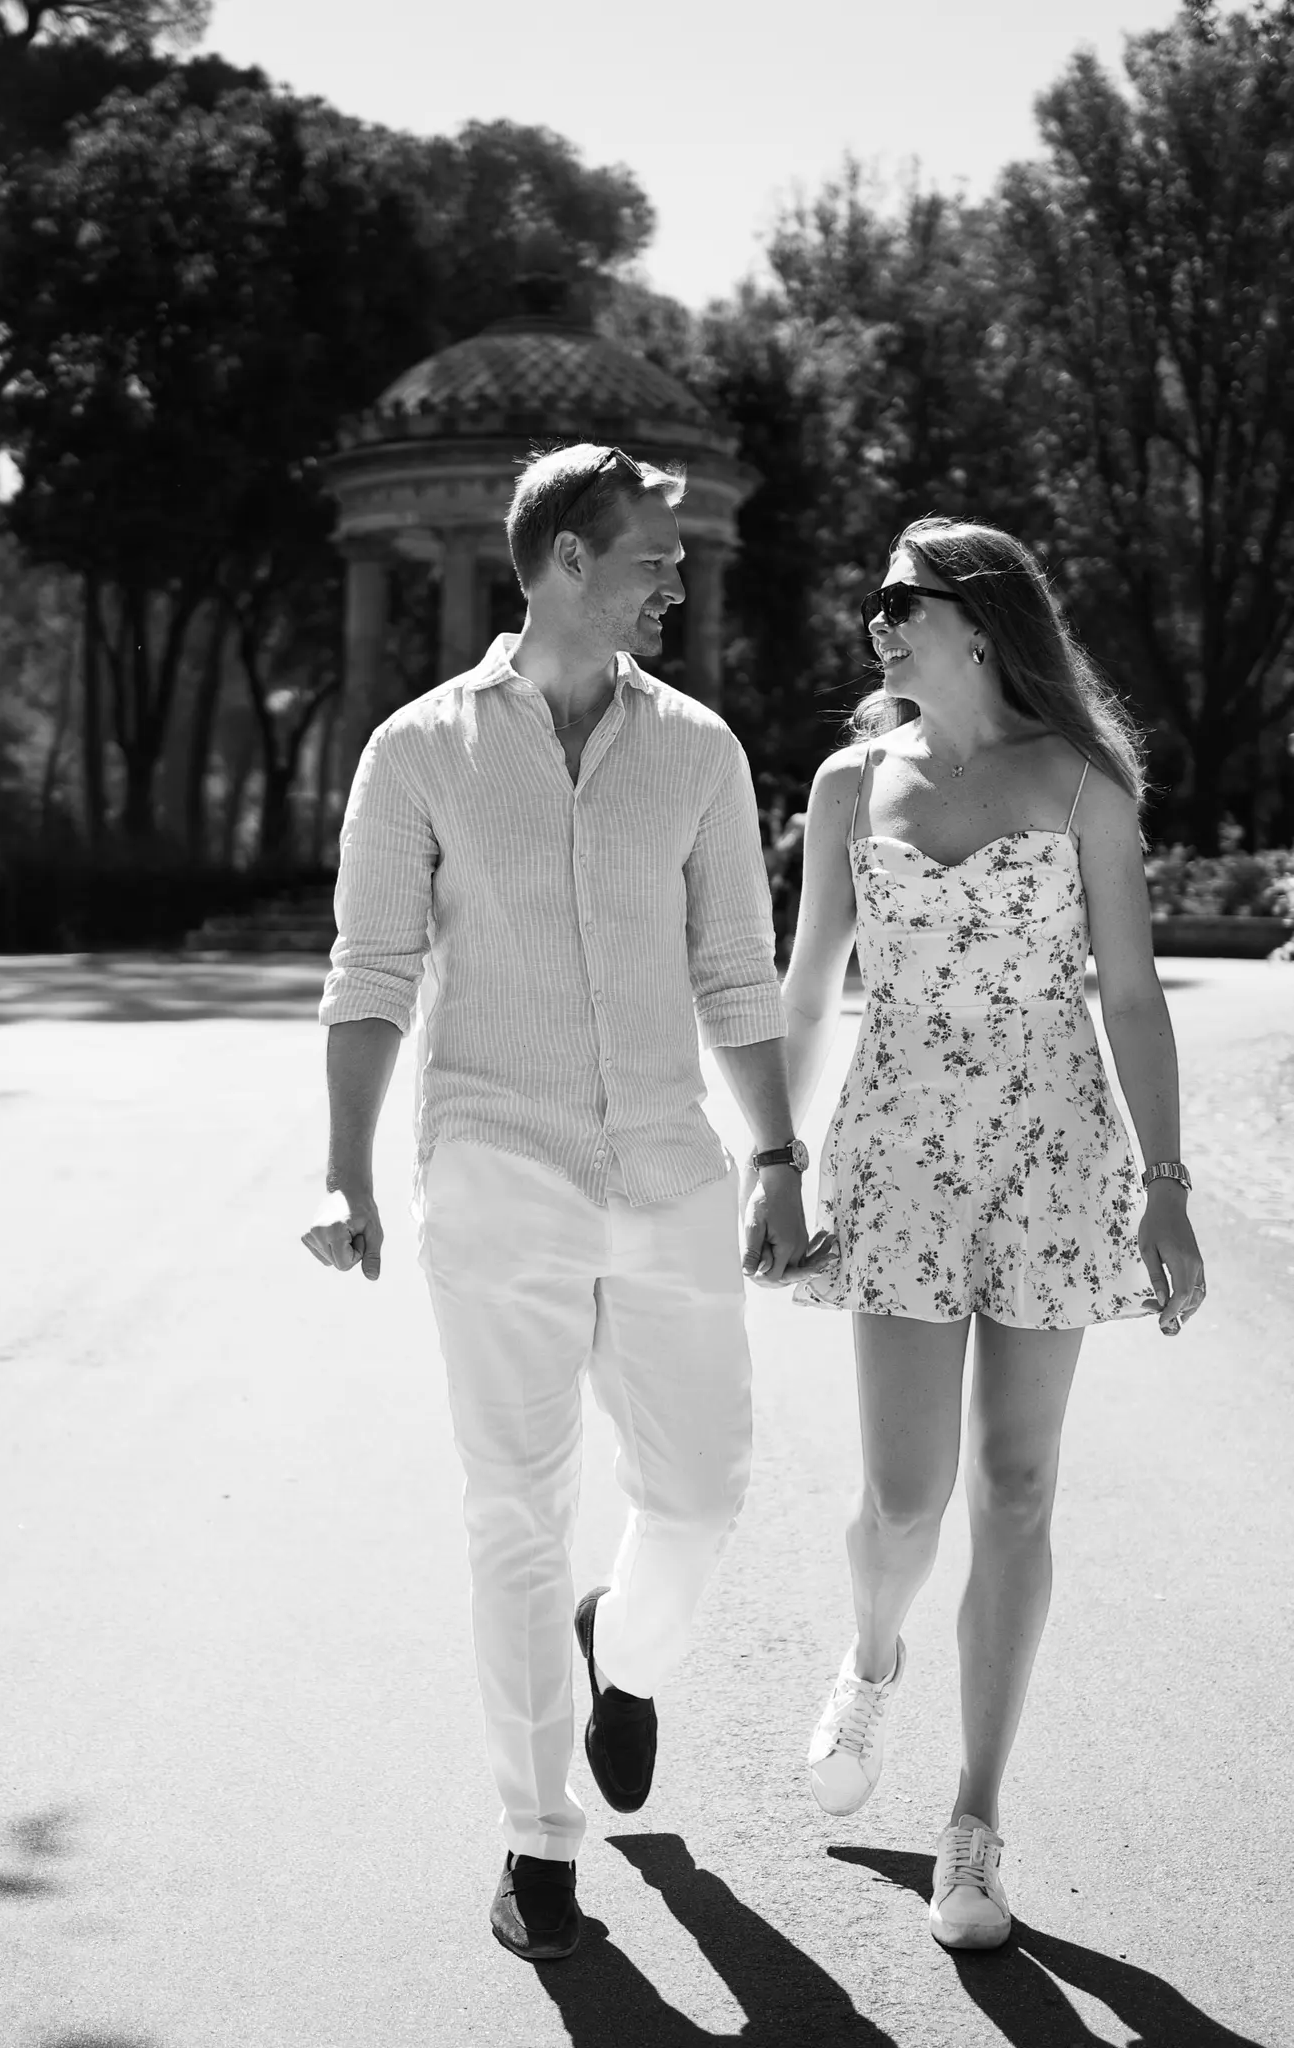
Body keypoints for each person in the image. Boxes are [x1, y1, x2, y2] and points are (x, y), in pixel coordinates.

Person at [301, 443, 828, 1963]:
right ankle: (540, 1844)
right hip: (493, 1161)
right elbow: (371, 970)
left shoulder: (705, 754)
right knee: (515, 1515)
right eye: (654, 553)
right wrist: (346, 1166)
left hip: (667, 1164)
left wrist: (780, 1155)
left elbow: (736, 969)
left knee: (705, 1489)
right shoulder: (419, 748)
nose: (677, 574)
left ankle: (627, 1651)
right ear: (563, 565)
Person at [781, 517, 1205, 1951]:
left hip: (1055, 1154)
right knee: (904, 1505)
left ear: (979, 619)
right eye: (874, 607)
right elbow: (804, 990)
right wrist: (774, 1165)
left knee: (1016, 1489)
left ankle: (974, 1824)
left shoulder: (1082, 783)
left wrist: (1170, 1188)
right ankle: (873, 1654)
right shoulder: (850, 786)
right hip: (898, 1156)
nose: (877, 626)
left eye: (901, 602)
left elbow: (1133, 998)